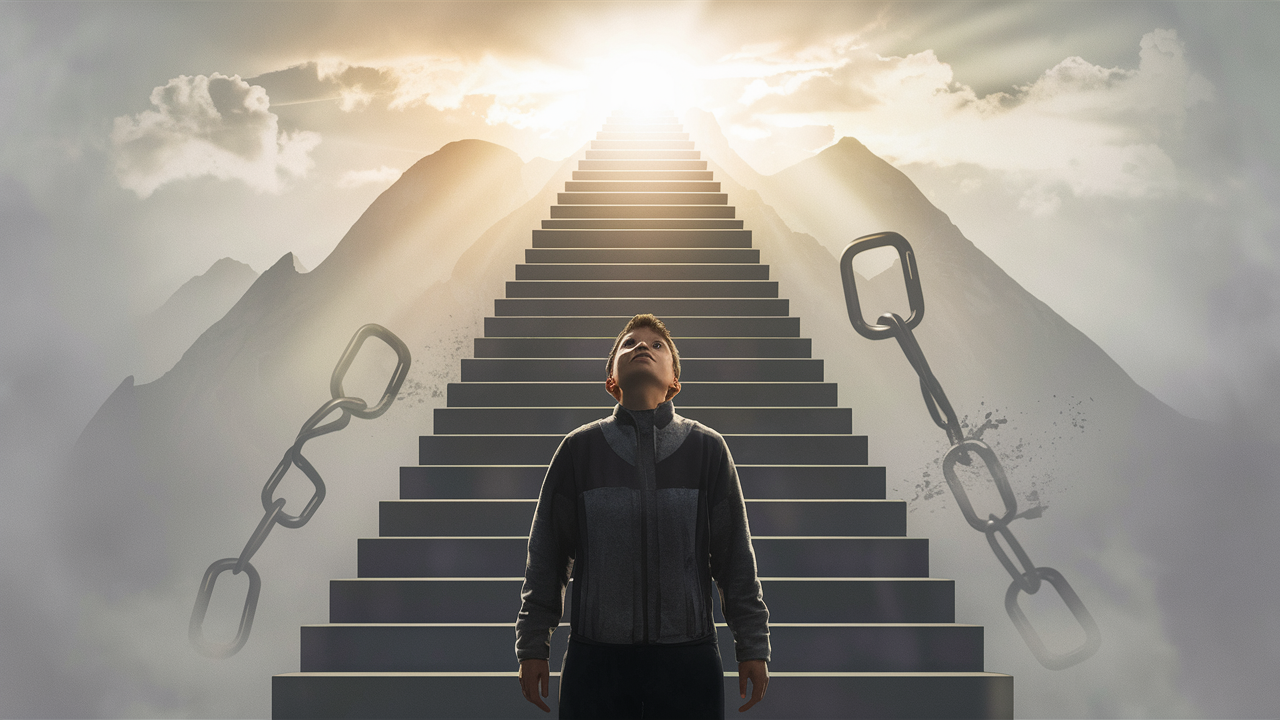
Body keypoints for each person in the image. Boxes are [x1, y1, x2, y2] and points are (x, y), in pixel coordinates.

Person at [515, 313, 770, 718]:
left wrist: (753, 645)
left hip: (689, 661)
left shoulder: (709, 450)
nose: (642, 348)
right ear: (611, 381)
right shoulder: (578, 450)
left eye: (657, 345)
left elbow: (734, 557)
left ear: (674, 383)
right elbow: (546, 558)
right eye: (629, 343)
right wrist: (533, 645)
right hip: (596, 663)